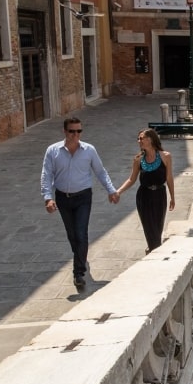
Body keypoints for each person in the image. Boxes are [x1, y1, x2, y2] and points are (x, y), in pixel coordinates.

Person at [41, 117, 119, 288]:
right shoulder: (52, 151)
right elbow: (47, 175)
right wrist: (48, 197)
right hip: (63, 198)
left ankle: (79, 273)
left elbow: (100, 171)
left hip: (83, 197)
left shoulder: (89, 150)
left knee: (81, 233)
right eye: (72, 131)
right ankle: (80, 256)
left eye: (79, 131)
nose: (75, 134)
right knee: (72, 235)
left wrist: (111, 190)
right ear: (65, 131)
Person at [116, 128, 175, 254]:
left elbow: (169, 177)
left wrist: (173, 197)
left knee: (157, 228)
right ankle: (155, 253)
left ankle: (152, 251)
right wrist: (118, 192)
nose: (139, 141)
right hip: (144, 197)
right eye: (138, 139)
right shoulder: (138, 159)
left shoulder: (166, 156)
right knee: (149, 228)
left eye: (141, 138)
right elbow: (131, 179)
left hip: (159, 195)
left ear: (150, 139)